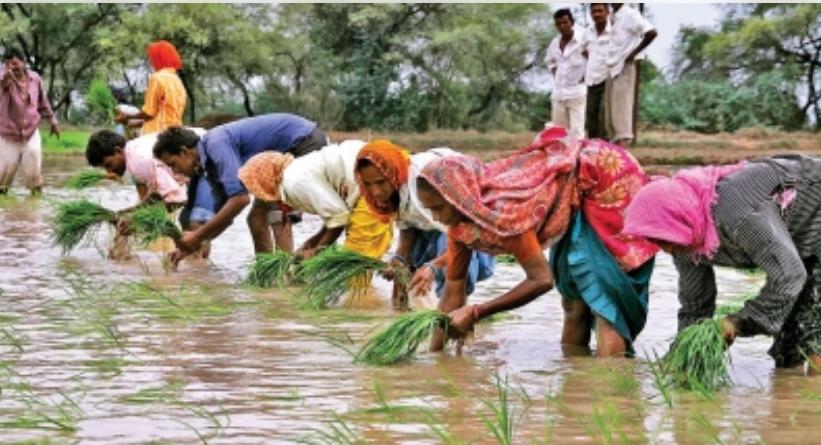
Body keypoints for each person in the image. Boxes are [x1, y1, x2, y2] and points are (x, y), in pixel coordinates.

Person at [417, 126, 657, 357]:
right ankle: (577, 383)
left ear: (458, 195)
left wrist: (478, 311)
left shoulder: (503, 214)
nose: (437, 218)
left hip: (607, 179)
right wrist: (435, 353)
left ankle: (610, 389)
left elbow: (541, 280)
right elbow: (453, 290)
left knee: (604, 303)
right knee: (574, 302)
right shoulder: (460, 225)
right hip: (574, 188)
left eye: (439, 208)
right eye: (429, 210)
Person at [622, 155, 821, 375]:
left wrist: (735, 324)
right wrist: (682, 354)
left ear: (677, 219)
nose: (665, 249)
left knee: (814, 335)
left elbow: (789, 277)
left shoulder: (737, 215)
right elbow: (695, 305)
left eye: (664, 240)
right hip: (799, 239)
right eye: (655, 241)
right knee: (788, 345)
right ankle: (788, 403)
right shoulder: (685, 238)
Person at [152, 113, 328, 264]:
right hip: (277, 158)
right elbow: (226, 216)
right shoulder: (210, 168)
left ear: (185, 152)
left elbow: (240, 199)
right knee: (256, 218)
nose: (175, 172)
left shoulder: (216, 144)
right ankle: (266, 272)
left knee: (276, 212)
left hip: (302, 141)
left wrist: (197, 237)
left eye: (173, 164)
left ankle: (286, 272)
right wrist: (192, 246)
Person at [353, 140, 494, 309]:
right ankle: (402, 313)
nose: (375, 191)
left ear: (392, 173)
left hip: (462, 215)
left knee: (452, 268)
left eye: (380, 182)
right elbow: (407, 228)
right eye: (368, 184)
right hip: (433, 220)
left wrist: (432, 268)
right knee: (405, 269)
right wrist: (399, 259)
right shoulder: (394, 192)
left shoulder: (425, 185)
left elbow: (462, 240)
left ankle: (455, 317)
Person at [237, 140, 393, 261]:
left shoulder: (293, 183)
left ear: (264, 182)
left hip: (367, 181)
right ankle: (386, 300)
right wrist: (311, 244)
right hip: (379, 168)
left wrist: (316, 251)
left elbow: (339, 216)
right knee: (372, 251)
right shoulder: (298, 169)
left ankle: (359, 301)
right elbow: (335, 213)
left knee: (354, 262)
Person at [84, 128, 215, 259]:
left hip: (209, 156)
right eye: (104, 168)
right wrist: (128, 213)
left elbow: (176, 199)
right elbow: (155, 197)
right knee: (192, 224)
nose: (109, 172)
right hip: (202, 156)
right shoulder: (133, 155)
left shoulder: (140, 160)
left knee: (195, 221)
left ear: (118, 151)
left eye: (108, 164)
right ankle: (197, 268)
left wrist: (137, 221)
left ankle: (198, 269)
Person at [0, 48, 60, 196]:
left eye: (14, 63)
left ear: (24, 62)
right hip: (8, 135)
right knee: (3, 180)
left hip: (31, 132)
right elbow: (3, 82)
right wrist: (6, 78)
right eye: (7, 64)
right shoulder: (4, 78)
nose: (11, 67)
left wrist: (53, 120)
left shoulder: (35, 79)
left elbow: (43, 102)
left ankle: (34, 210)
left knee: (35, 177)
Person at [604, 3, 657, 147]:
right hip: (612, 68)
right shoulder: (612, 17)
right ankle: (616, 160)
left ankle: (623, 159)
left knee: (622, 117)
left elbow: (651, 32)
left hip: (624, 68)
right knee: (611, 118)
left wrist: (633, 53)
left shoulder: (630, 14)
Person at [115, 40, 187, 135]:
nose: (151, 61)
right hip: (175, 133)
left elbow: (149, 113)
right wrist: (133, 123)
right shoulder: (177, 80)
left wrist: (127, 117)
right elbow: (163, 116)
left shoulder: (157, 78)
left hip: (156, 134)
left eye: (152, 58)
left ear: (158, 58)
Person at [547, 9, 587, 139]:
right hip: (558, 94)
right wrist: (556, 74)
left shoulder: (582, 41)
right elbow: (550, 62)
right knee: (559, 133)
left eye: (565, 22)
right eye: (559, 24)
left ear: (572, 22)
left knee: (576, 132)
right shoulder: (554, 43)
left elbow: (594, 59)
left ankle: (576, 159)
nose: (562, 26)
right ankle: (563, 159)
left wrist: (585, 76)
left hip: (577, 93)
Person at [583, 4, 611, 140]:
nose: (597, 14)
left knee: (604, 119)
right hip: (591, 80)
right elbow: (582, 50)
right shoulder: (588, 32)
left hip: (608, 80)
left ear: (607, 12)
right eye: (594, 11)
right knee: (591, 119)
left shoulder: (614, 31)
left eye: (600, 11)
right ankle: (592, 152)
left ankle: (606, 151)